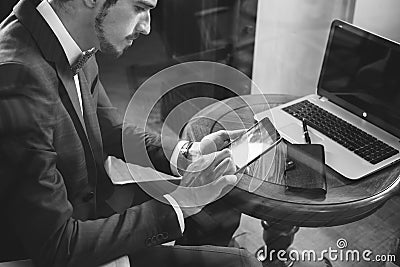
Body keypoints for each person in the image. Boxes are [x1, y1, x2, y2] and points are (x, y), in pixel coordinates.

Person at [0, 0, 263, 266]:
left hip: (92, 202)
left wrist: (188, 154)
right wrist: (182, 202)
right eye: (139, 8)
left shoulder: (73, 36)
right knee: (243, 263)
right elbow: (57, 245)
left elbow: (109, 128)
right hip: (59, 243)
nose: (148, 27)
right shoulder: (16, 77)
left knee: (221, 189)